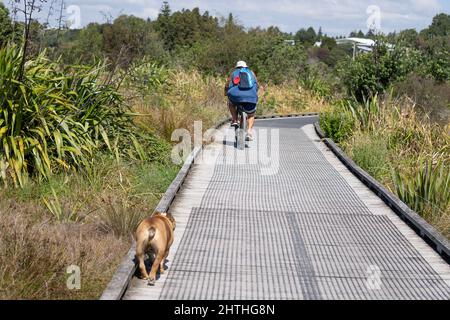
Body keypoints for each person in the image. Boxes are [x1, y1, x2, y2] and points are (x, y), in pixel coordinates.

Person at [224, 61, 259, 141]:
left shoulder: (234, 73)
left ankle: (235, 119)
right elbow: (257, 85)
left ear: (236, 67)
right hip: (251, 96)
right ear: (246, 66)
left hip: (236, 96)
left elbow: (227, 85)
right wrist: (253, 94)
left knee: (230, 102)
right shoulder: (251, 73)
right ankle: (249, 132)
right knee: (251, 115)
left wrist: (226, 93)